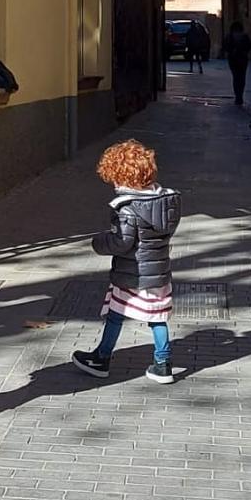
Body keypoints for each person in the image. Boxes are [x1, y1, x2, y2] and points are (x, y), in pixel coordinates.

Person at [71, 140, 182, 385]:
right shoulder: (167, 201)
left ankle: (102, 358)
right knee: (157, 316)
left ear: (120, 177)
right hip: (158, 271)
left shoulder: (127, 208)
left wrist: (99, 242)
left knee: (115, 314)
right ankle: (163, 365)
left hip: (131, 272)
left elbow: (122, 242)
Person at [221, 22, 251, 107]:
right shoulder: (244, 36)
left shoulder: (229, 36)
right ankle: (240, 95)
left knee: (236, 77)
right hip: (243, 59)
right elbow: (249, 46)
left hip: (233, 59)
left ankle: (237, 96)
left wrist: (231, 51)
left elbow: (225, 46)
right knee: (242, 77)